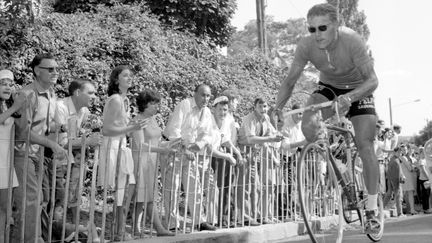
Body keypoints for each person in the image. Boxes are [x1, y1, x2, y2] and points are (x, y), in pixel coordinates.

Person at [274, 3, 381, 233]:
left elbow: (373, 81)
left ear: (337, 25)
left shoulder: (353, 41)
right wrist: (277, 108)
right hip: (329, 88)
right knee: (308, 124)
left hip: (359, 89)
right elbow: (290, 81)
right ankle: (337, 167)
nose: (317, 34)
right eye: (312, 29)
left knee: (365, 145)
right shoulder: (305, 45)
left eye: (322, 28)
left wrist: (350, 97)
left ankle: (372, 210)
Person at [12, 53, 68, 243]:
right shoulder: (27, 94)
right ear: (37, 71)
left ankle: (36, 238)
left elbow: (43, 126)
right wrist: (52, 143)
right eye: (50, 69)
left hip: (39, 155)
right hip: (22, 154)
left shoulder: (51, 94)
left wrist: (61, 128)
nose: (55, 72)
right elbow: (23, 133)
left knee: (38, 201)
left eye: (56, 69)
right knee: (28, 202)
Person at [98, 65, 148, 240]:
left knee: (126, 188)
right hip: (112, 146)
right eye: (125, 75)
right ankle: (116, 232)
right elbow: (107, 129)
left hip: (121, 145)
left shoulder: (125, 100)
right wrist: (131, 127)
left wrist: (130, 128)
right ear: (116, 79)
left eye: (130, 75)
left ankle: (118, 231)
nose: (129, 78)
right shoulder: (116, 100)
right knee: (120, 190)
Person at [162, 84, 217, 231]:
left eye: (208, 96)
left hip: (191, 151)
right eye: (203, 95)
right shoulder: (185, 105)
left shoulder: (206, 112)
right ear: (195, 93)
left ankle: (199, 221)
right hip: (175, 148)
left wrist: (200, 144)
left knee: (195, 186)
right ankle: (172, 224)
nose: (205, 99)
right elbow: (174, 129)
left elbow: (207, 134)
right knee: (172, 187)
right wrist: (184, 148)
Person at [130, 90, 175, 236]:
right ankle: (159, 228)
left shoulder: (153, 119)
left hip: (152, 162)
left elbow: (157, 140)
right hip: (141, 162)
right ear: (144, 104)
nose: (157, 106)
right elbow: (140, 145)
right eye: (153, 103)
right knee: (147, 197)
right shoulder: (137, 120)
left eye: (157, 103)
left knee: (142, 198)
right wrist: (161, 150)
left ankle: (135, 229)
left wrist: (170, 144)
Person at [54, 79, 100, 222]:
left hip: (72, 159)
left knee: (74, 193)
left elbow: (76, 136)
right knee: (57, 198)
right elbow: (61, 142)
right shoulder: (60, 107)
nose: (94, 97)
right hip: (55, 159)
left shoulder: (84, 111)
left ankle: (73, 228)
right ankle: (54, 229)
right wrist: (88, 141)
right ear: (78, 92)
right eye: (90, 93)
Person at [238, 98, 283, 224]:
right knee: (245, 186)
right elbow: (251, 138)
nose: (263, 109)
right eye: (261, 106)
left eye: (265, 106)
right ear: (255, 107)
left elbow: (271, 135)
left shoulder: (266, 119)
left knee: (257, 187)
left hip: (254, 153)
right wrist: (271, 138)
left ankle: (256, 215)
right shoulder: (249, 118)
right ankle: (245, 217)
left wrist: (277, 137)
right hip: (243, 151)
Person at [0, 69, 26, 243]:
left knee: (5, 210)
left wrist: (20, 107)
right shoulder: (9, 108)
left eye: (10, 84)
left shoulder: (8, 107)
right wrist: (16, 106)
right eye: (3, 83)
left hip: (6, 162)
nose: (8, 87)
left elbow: (21, 129)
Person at [210, 96, 244, 227]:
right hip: (212, 156)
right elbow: (210, 147)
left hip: (221, 155)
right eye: (220, 109)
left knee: (225, 188)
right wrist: (228, 156)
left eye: (225, 110)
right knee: (214, 189)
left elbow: (225, 140)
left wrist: (237, 152)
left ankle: (223, 219)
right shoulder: (209, 120)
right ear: (214, 109)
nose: (223, 112)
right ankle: (213, 219)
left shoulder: (225, 121)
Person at [383, 146, 405, 217]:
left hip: (390, 179)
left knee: (389, 194)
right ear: (395, 152)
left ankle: (381, 208)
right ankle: (400, 213)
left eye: (400, 152)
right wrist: (399, 181)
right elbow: (396, 174)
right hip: (395, 180)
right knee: (398, 196)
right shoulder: (395, 160)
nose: (400, 153)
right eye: (398, 152)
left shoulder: (393, 159)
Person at [417, 147, 432, 214]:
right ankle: (426, 208)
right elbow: (423, 170)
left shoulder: (425, 159)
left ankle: (427, 208)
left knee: (427, 194)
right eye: (422, 152)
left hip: (426, 179)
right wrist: (428, 177)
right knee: (425, 194)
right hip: (424, 179)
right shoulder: (421, 160)